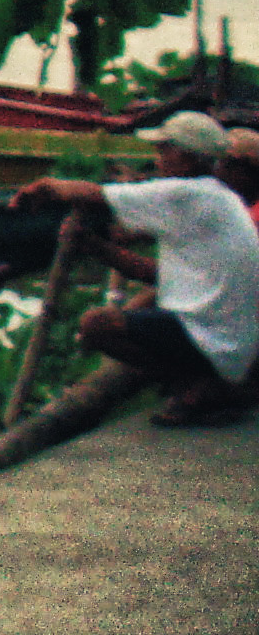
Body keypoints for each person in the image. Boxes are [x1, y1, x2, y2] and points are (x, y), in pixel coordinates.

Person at [14, 110, 259, 425]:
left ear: (186, 158)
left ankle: (199, 387)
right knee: (139, 308)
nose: (157, 159)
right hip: (232, 337)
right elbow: (135, 244)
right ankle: (201, 386)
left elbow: (92, 193)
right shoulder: (219, 198)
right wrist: (98, 243)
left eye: (164, 150)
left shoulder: (187, 193)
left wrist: (43, 187)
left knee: (96, 326)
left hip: (220, 339)